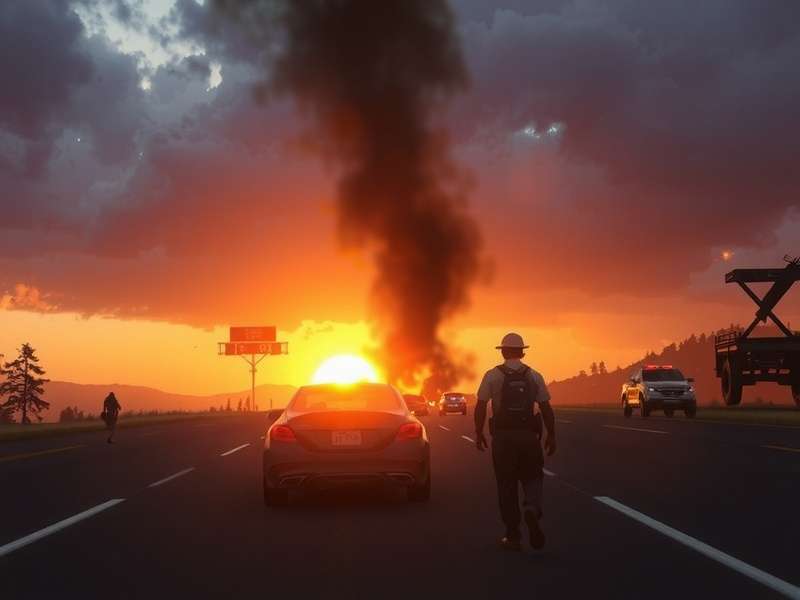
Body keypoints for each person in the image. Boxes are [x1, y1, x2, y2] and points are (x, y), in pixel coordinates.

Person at [475, 332, 556, 551]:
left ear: (503, 351)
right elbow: (546, 408)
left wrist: (478, 432)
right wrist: (552, 435)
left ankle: (513, 535)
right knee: (533, 478)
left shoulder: (492, 376)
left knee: (506, 485)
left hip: (503, 439)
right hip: (529, 437)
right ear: (521, 352)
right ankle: (531, 508)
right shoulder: (534, 376)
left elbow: (481, 405)